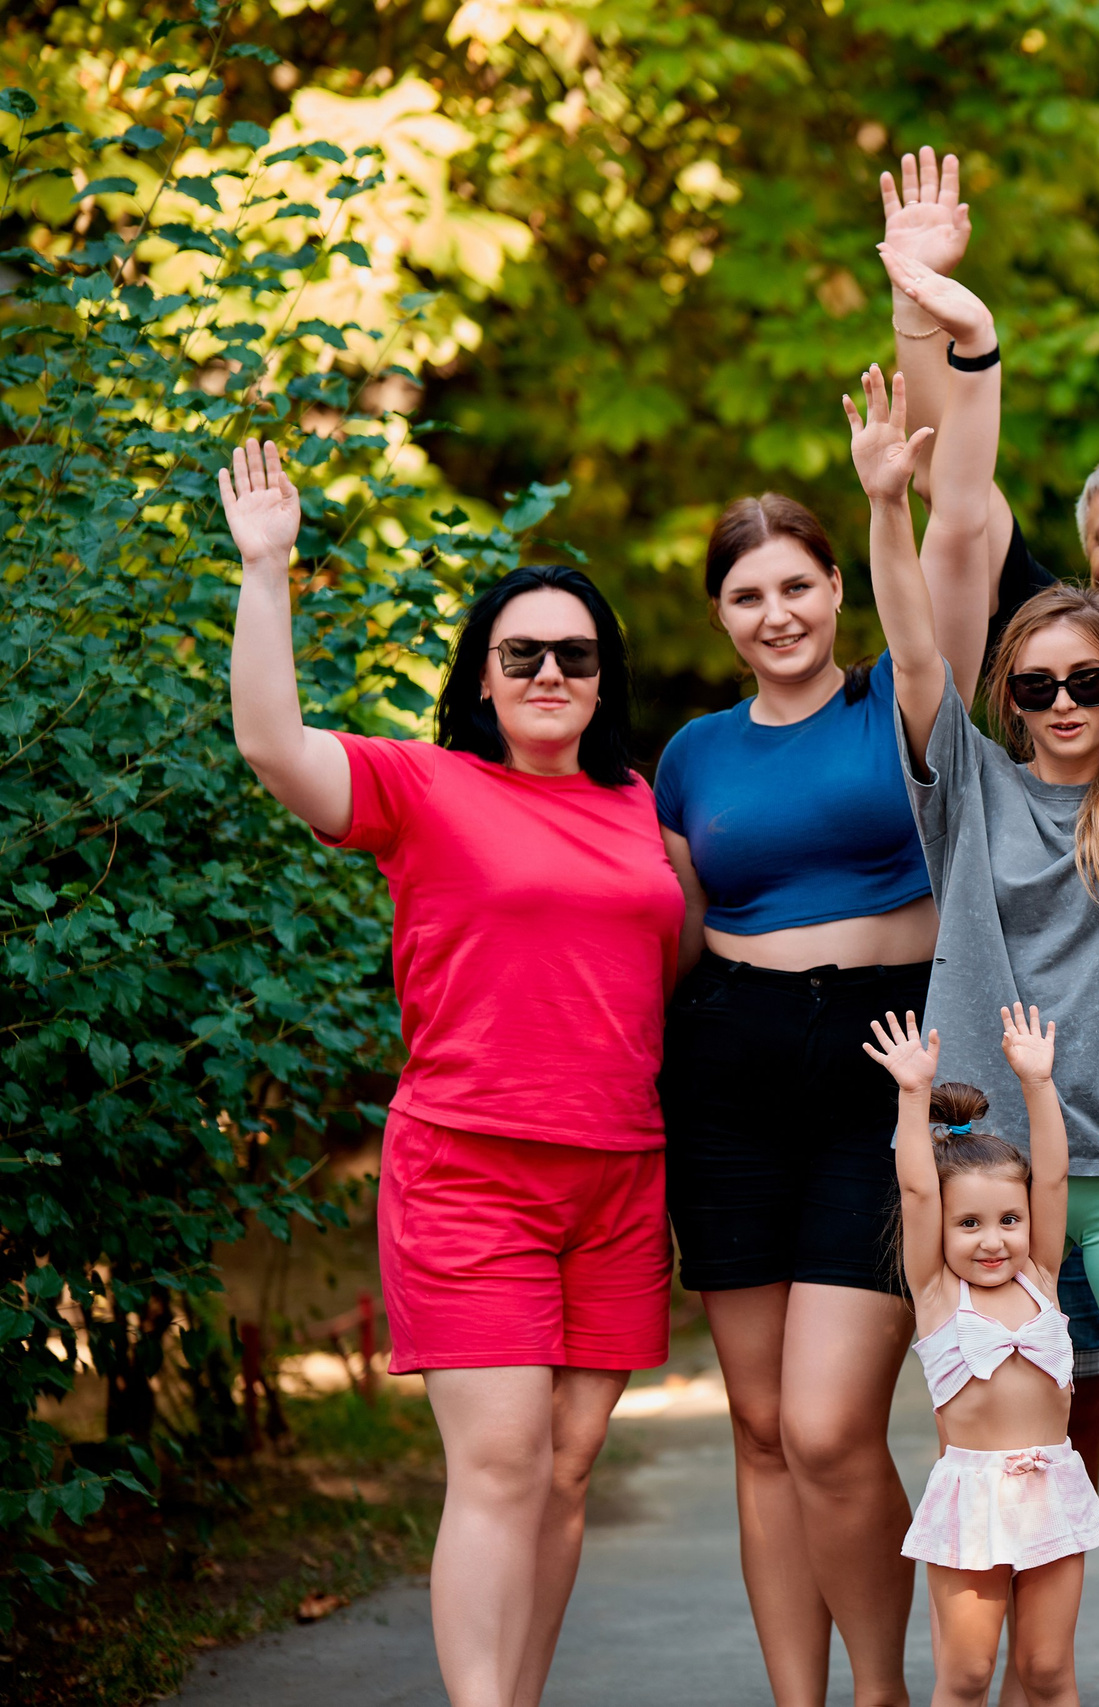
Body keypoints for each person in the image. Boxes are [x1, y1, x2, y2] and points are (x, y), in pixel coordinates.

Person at [219, 440, 682, 1707]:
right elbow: (269, 742)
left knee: (571, 1466)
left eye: (574, 655)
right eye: (522, 653)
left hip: (620, 1180)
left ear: (603, 680)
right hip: (471, 1170)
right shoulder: (420, 785)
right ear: (482, 676)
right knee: (500, 1465)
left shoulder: (641, 806)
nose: (548, 672)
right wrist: (269, 572)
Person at [859, 299, 1099, 1707]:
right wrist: (885, 512)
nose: (1066, 697)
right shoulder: (961, 790)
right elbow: (913, 658)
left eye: (1091, 678)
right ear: (1012, 696)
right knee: (1011, 1450)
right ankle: (1034, 1684)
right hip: (983, 1177)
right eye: (1040, 683)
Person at [648, 274, 1002, 1707]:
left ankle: (878, 1686)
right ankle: (797, 1693)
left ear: (836, 590)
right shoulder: (689, 754)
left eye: (797, 583)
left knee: (832, 1419)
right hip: (730, 1061)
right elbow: (666, 929)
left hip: (884, 1054)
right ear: (724, 616)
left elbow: (952, 560)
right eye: (747, 593)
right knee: (755, 1420)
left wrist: (884, 496)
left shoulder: (901, 702)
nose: (775, 610)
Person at [868, 1003, 1099, 1707]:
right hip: (970, 1498)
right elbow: (918, 1187)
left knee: (1047, 1671)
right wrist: (912, 1096)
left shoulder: (1040, 1276)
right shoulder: (939, 1293)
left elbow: (1056, 1180)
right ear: (940, 1231)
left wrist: (1039, 1083)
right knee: (968, 1673)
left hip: (1052, 1490)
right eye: (968, 1223)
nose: (992, 1240)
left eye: (1008, 1219)